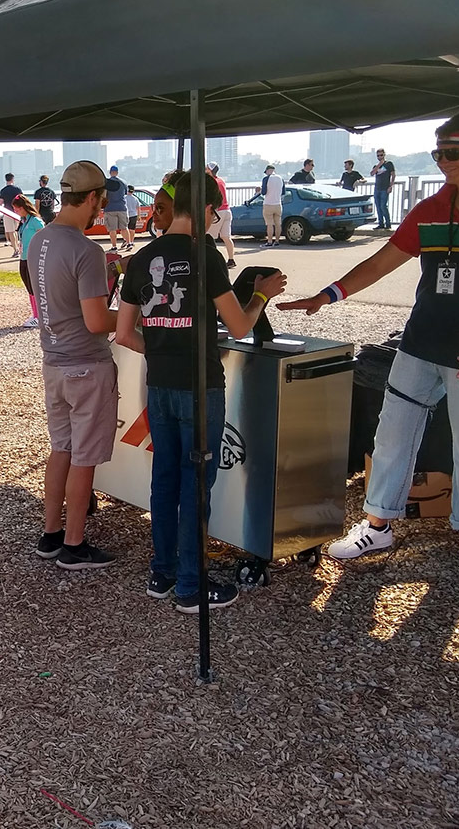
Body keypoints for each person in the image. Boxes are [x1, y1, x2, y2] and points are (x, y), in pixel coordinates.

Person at [279, 111, 459, 588]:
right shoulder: (429, 208)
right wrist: (328, 296)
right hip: (420, 341)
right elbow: (383, 261)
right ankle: (379, 526)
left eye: (452, 154)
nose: (443, 162)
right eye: (437, 154)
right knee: (391, 437)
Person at [117, 170, 287, 612]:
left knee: (165, 477)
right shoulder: (206, 256)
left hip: (160, 386)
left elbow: (122, 333)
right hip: (201, 388)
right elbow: (240, 325)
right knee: (196, 485)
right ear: (210, 209)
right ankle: (191, 586)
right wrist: (261, 295)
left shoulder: (140, 258)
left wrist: (158, 351)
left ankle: (163, 572)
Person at [29, 160, 121, 569]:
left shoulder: (39, 240)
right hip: (87, 364)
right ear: (93, 198)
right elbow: (98, 321)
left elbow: (58, 296)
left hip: (54, 362)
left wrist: (108, 274)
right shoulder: (87, 250)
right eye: (102, 199)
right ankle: (75, 543)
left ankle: (51, 534)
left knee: (61, 449)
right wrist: (135, 316)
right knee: (83, 457)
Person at [13, 194, 44, 328]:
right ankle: (35, 314)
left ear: (24, 207)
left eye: (17, 209)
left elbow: (44, 235)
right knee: (29, 287)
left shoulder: (35, 221)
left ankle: (39, 316)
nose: (16, 212)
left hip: (33, 257)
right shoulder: (24, 221)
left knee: (34, 286)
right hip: (24, 257)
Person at [205, 163, 236, 267]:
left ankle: (213, 261)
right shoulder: (221, 180)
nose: (205, 169)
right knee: (226, 237)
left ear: (210, 170)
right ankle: (231, 259)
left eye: (207, 168)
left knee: (210, 237)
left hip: (218, 211)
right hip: (227, 210)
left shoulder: (211, 182)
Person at [103, 165, 133, 253]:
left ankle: (114, 246)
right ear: (117, 172)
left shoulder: (106, 183)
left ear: (110, 172)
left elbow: (104, 195)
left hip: (109, 208)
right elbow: (125, 193)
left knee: (112, 229)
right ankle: (129, 243)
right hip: (122, 207)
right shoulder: (123, 183)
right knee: (124, 227)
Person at [0, 173, 23, 257]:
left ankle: (16, 249)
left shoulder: (3, 190)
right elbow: (23, 200)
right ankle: (18, 248)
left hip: (7, 212)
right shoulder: (17, 189)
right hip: (17, 212)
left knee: (11, 232)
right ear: (13, 179)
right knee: (16, 231)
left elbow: (0, 203)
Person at [371, 149, 396, 229]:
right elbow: (372, 173)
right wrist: (379, 165)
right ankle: (380, 223)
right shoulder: (376, 166)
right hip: (377, 188)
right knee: (378, 206)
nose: (380, 157)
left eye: (381, 155)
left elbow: (393, 175)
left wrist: (390, 186)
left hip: (385, 188)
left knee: (383, 206)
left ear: (384, 155)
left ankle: (388, 223)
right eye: (378, 155)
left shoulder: (389, 164)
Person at [261, 164, 284, 248]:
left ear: (267, 171)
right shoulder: (280, 178)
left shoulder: (266, 179)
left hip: (268, 204)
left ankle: (269, 241)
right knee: (278, 224)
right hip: (278, 204)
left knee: (269, 224)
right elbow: (283, 192)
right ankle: (277, 241)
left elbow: (263, 192)